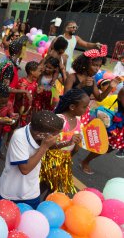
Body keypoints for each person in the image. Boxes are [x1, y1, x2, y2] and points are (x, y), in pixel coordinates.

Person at [64, 45, 121, 174]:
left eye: (99, 66)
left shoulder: (93, 81)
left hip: (83, 116)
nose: (97, 69)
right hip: (69, 114)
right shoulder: (72, 77)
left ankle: (65, 162)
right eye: (95, 65)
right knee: (65, 141)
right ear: (85, 63)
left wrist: (110, 87)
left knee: (76, 147)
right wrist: (80, 85)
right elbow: (65, 98)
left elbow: (99, 98)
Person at [0, 111, 63, 209]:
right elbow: (25, 169)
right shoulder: (19, 137)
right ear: (40, 134)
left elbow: (51, 146)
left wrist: (68, 143)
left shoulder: (40, 136)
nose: (56, 138)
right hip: (11, 193)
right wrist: (44, 147)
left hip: (31, 192)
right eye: (54, 135)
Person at [40, 89, 88, 195]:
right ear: (72, 107)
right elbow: (47, 145)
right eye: (84, 106)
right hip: (49, 159)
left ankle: (46, 208)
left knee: (54, 190)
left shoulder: (79, 123)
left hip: (63, 161)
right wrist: (68, 143)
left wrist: (76, 147)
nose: (86, 109)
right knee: (41, 185)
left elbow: (74, 149)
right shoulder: (59, 120)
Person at [15, 61, 42, 126]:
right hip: (19, 109)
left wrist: (37, 92)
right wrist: (22, 91)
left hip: (28, 110)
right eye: (39, 71)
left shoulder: (35, 83)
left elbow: (33, 96)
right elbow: (17, 98)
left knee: (25, 125)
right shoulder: (23, 82)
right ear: (32, 72)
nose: (40, 73)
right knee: (15, 125)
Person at [108, 88, 124, 157]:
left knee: (111, 147)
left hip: (120, 131)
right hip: (118, 128)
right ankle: (86, 161)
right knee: (106, 145)